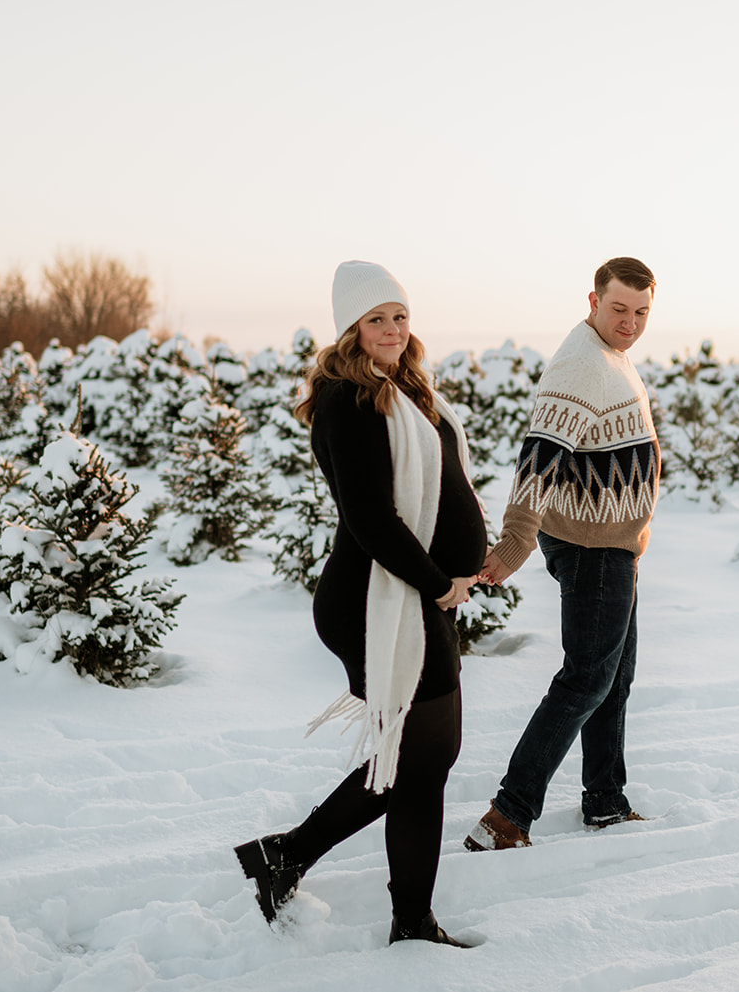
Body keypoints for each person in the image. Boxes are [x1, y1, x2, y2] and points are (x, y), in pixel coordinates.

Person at [235, 260, 485, 947]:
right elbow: (371, 518)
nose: (393, 329)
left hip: (416, 593)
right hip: (374, 597)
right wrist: (439, 581)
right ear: (351, 327)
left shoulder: (405, 392)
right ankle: (387, 906)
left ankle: (298, 862)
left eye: (400, 316)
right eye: (377, 318)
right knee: (422, 757)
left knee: (422, 756)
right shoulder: (349, 401)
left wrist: (469, 561)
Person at [464, 256, 661, 851]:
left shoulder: (609, 356)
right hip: (591, 548)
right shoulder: (582, 364)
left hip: (612, 545)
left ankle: (604, 799)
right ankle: (507, 816)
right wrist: (516, 539)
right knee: (584, 682)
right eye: (619, 309)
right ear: (594, 301)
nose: (629, 322)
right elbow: (540, 456)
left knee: (612, 679)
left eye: (641, 312)